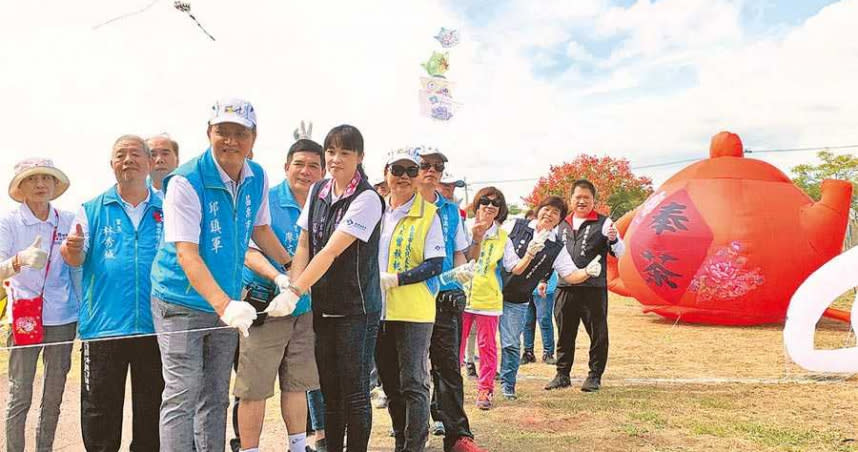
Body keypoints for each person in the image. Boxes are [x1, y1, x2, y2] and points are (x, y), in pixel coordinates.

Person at [149, 98, 292, 451]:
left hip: (227, 303)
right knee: (182, 394)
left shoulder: (257, 176)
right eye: (222, 132)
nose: (230, 141)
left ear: (253, 138)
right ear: (208, 134)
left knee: (215, 394)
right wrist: (224, 305)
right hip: (180, 300)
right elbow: (186, 252)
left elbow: (259, 229)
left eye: (239, 133)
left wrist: (288, 271)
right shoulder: (185, 181)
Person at [60, 135, 165, 452]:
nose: (128, 160)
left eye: (136, 154)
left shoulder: (167, 209)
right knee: (100, 413)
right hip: (104, 330)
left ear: (149, 163)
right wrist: (72, 249)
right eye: (121, 155)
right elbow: (74, 255)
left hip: (156, 327)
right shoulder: (91, 209)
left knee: (153, 411)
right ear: (111, 165)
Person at [288, 124, 384, 452]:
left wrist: (296, 290)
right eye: (331, 151)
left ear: (360, 157)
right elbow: (304, 243)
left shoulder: (368, 198)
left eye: (345, 152)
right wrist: (292, 287)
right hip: (322, 307)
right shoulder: (318, 191)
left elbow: (329, 250)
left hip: (356, 309)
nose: (336, 159)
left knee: (354, 391)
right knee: (329, 390)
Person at [234, 133, 325, 452]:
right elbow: (246, 250)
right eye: (299, 164)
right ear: (286, 167)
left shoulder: (324, 206)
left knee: (297, 384)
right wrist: (281, 276)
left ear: (323, 172)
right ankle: (249, 449)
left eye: (314, 166)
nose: (306, 171)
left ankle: (298, 446)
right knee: (253, 388)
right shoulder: (266, 200)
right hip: (265, 306)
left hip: (304, 310)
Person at [1, 158, 77, 452]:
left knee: (53, 393)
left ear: (56, 185)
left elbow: (77, 269)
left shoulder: (68, 219)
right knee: (20, 393)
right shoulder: (8, 222)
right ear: (21, 187)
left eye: (47, 178)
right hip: (23, 315)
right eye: (32, 179)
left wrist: (83, 310)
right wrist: (18, 261)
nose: (41, 184)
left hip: (63, 316)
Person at [375, 148, 446, 452]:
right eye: (397, 169)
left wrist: (398, 278)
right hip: (378, 310)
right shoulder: (374, 210)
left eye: (411, 170)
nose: (403, 176)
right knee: (390, 384)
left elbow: (435, 262)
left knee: (414, 383)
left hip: (414, 310)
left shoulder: (429, 214)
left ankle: (415, 445)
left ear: (418, 177)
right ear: (386, 173)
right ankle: (400, 438)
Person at [416, 148, 486, 452]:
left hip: (443, 298)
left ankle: (458, 435)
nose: (432, 170)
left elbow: (460, 254)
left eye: (438, 166)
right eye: (425, 165)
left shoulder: (449, 210)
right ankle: (411, 432)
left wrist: (459, 275)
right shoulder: (399, 203)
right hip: (409, 296)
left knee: (447, 368)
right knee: (409, 372)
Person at [497, 196, 600, 400]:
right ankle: (483, 382)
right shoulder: (515, 226)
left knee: (510, 344)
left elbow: (570, 274)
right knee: (482, 341)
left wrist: (587, 271)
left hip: (517, 299)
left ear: (560, 219)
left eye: (556, 212)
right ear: (538, 210)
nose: (549, 214)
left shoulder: (556, 246)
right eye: (546, 209)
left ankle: (508, 385)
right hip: (490, 292)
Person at [546, 179, 625, 392]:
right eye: (578, 197)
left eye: (586, 198)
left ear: (593, 200)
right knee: (564, 333)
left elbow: (620, 252)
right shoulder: (560, 223)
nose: (582, 201)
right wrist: (544, 280)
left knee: (597, 333)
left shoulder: (604, 222)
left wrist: (615, 239)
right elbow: (549, 255)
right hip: (565, 287)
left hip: (593, 289)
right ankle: (562, 375)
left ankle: (594, 376)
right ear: (570, 199)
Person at [459, 186, 520, 411]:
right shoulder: (464, 228)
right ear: (477, 203)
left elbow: (514, 265)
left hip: (488, 299)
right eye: (485, 201)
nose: (489, 206)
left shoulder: (503, 236)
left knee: (487, 346)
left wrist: (535, 253)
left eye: (496, 203)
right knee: (456, 344)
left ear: (501, 209)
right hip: (461, 295)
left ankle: (485, 389)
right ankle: (450, 389)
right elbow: (459, 257)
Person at [522, 271, 558, 364]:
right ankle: (528, 352)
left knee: (544, 320)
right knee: (527, 322)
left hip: (546, 288)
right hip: (525, 287)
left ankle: (548, 353)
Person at [147, 133, 180, 199]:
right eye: (153, 155)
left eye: (165, 154)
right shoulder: (134, 197)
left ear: (177, 160)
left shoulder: (192, 191)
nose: (159, 160)